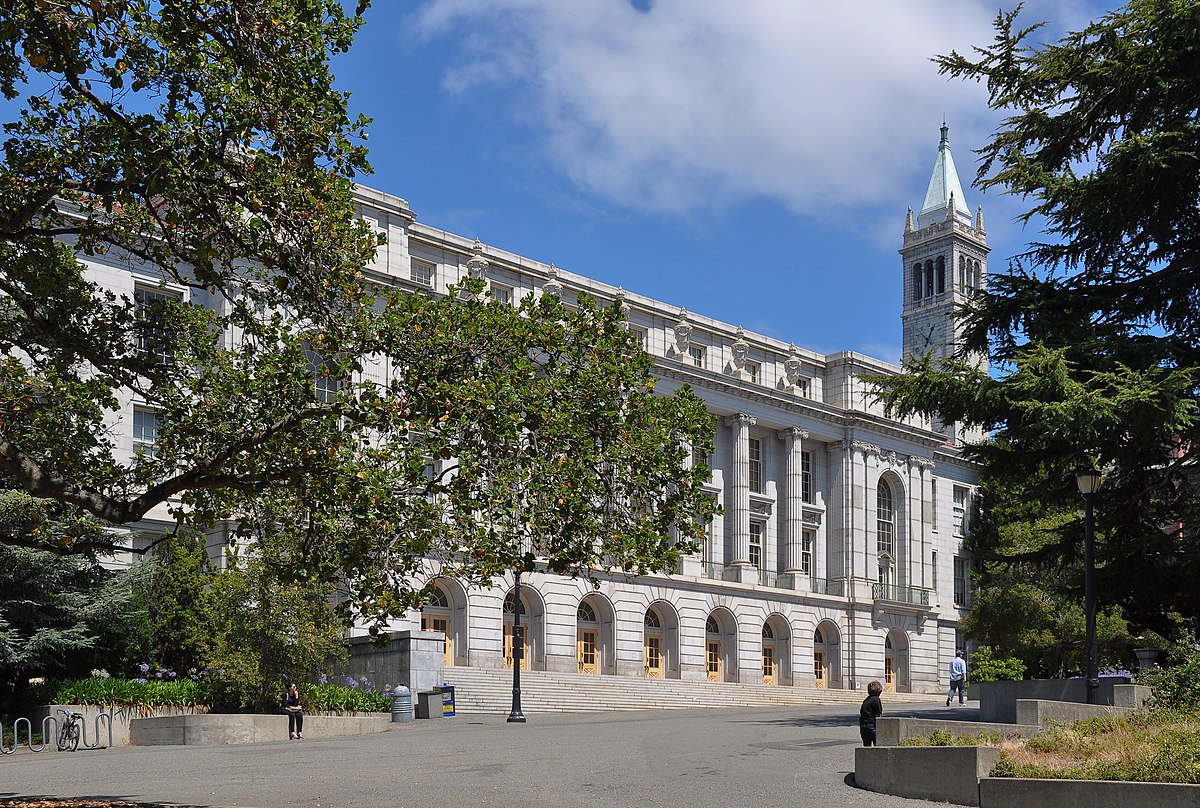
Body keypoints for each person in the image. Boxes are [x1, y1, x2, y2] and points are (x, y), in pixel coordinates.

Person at [859, 680, 883, 747]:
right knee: (878, 746)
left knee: (867, 746)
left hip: (863, 726)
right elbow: (878, 713)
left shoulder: (866, 700)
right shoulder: (876, 699)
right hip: (872, 725)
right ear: (879, 692)